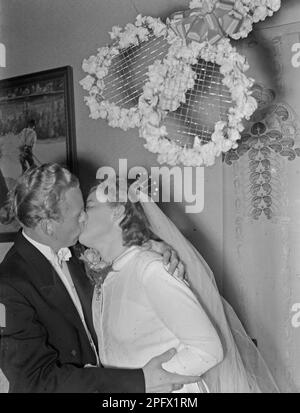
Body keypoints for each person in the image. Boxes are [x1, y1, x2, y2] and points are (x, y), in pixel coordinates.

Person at [0, 163, 199, 393]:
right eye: (78, 214)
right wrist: (139, 381)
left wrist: (155, 246)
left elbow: (121, 251)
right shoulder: (8, 285)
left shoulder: (76, 246)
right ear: (48, 227)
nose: (86, 217)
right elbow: (36, 382)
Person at [79, 177, 280, 393]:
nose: (80, 216)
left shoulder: (150, 269)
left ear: (117, 212)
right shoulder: (108, 276)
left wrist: (143, 382)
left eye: (89, 207)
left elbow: (208, 350)